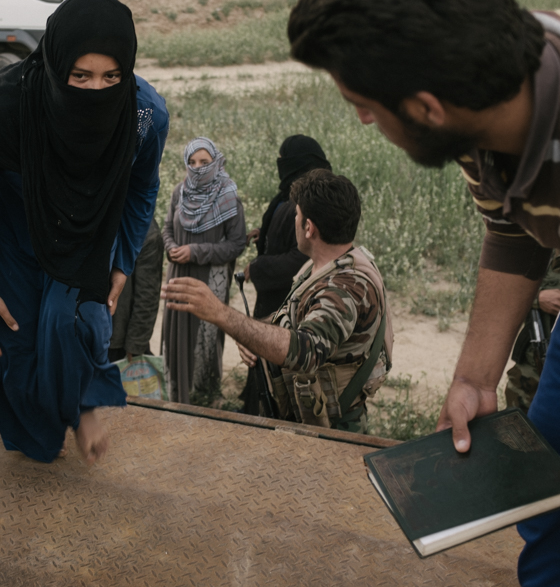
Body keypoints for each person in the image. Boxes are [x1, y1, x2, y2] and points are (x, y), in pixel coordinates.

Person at [286, 0, 560, 587]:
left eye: (365, 105)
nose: (360, 120)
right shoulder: (488, 93)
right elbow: (512, 224)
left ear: (426, 109)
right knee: (548, 486)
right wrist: (474, 377)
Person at [0, 0, 169, 464]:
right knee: (20, 336)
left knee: (80, 319)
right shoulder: (0, 111)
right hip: (14, 226)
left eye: (112, 77)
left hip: (87, 229)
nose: (96, 91)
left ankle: (84, 407)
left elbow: (139, 190)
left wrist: (122, 262)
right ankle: (34, 439)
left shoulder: (142, 117)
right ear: (55, 67)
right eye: (81, 76)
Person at [163, 170, 393, 432]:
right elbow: (294, 320)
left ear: (309, 228)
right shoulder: (322, 266)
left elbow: (305, 350)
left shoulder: (345, 288)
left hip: (331, 432)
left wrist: (221, 314)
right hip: (308, 424)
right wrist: (249, 333)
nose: (295, 221)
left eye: (296, 215)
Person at [239, 134, 331, 415]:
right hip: (272, 295)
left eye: (283, 158)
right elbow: (283, 234)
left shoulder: (309, 201)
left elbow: (300, 258)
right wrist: (262, 236)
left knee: (274, 354)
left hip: (285, 298)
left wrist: (256, 268)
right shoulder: (290, 194)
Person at [161, 137, 246, 405]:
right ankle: (177, 396)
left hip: (209, 281)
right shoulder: (180, 192)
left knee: (204, 340)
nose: (197, 168)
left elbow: (236, 244)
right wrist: (172, 246)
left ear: (216, 162)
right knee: (176, 339)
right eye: (192, 162)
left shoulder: (228, 196)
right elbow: (166, 228)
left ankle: (203, 398)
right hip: (178, 275)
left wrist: (195, 252)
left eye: (204, 162)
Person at [505, 252, 560, 411]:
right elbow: (503, 292)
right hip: (530, 367)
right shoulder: (539, 249)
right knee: (516, 425)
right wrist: (537, 298)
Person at [109, 219, 165, 363]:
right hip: (95, 332)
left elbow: (147, 296)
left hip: (119, 339)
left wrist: (135, 344)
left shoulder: (147, 231)